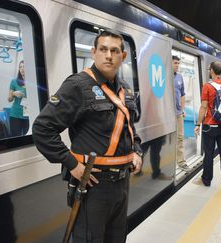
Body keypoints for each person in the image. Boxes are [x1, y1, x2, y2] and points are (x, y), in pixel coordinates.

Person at [32, 30, 143, 243]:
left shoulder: (125, 91)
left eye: (114, 50)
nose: (108, 55)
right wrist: (71, 163)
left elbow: (129, 130)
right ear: (94, 53)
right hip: (93, 185)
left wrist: (136, 151)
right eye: (103, 49)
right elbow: (42, 129)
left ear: (123, 56)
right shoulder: (78, 86)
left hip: (122, 185)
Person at [194, 61, 221, 189]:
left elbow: (203, 107)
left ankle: (206, 180)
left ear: (212, 71)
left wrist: (198, 124)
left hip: (210, 125)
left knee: (209, 153)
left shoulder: (207, 86)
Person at [172, 55, 189, 172]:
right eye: (175, 63)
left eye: (178, 63)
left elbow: (183, 95)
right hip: (167, 114)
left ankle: (181, 162)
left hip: (178, 113)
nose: (177, 65)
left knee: (180, 138)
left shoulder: (179, 77)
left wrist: (182, 109)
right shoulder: (164, 76)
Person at [7, 60, 29, 137]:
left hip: (29, 115)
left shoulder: (33, 81)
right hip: (15, 115)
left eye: (24, 67)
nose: (22, 69)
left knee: (29, 140)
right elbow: (9, 99)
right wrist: (13, 93)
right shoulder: (14, 81)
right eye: (20, 67)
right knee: (16, 139)